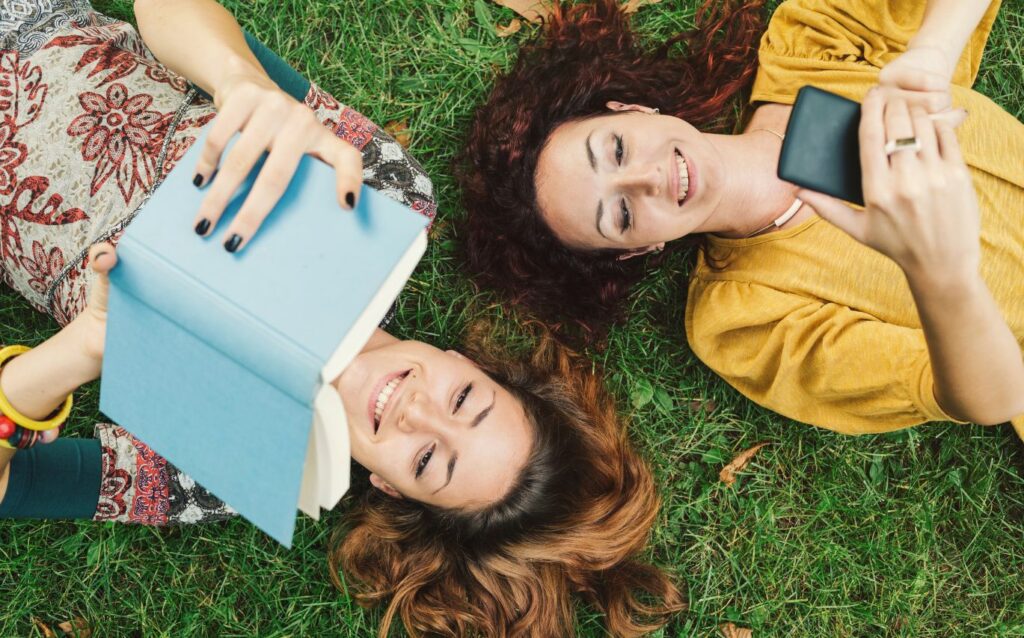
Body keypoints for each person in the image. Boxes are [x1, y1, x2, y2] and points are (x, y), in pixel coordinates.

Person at [0, 1, 683, 636]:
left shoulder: (224, 469)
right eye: (464, 400)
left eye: (427, 459)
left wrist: (83, 349)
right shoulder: (385, 202)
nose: (417, 410)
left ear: (389, 486)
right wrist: (243, 84)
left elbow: (10, 484)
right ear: (469, 363)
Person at [459, 0, 1024, 437]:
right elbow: (995, 398)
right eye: (622, 213)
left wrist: (932, 53)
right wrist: (940, 275)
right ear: (636, 250)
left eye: (616, 150)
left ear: (632, 110)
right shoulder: (741, 320)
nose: (647, 180)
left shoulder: (810, 49)